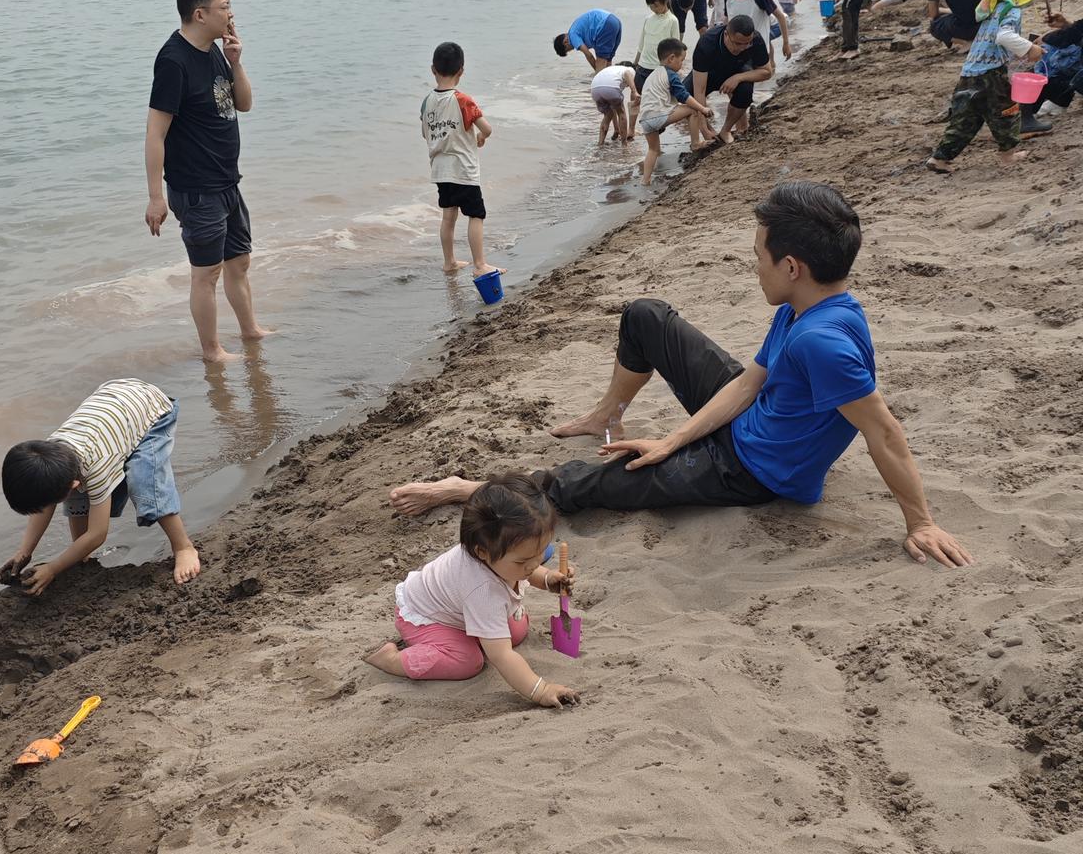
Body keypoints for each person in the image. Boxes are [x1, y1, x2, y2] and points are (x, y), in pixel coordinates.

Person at [389, 182, 972, 569]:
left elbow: (884, 432)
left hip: (750, 470)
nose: (754, 264)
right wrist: (673, 437)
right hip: (746, 421)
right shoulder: (807, 307)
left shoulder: (822, 340)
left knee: (603, 484)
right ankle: (605, 412)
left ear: (791, 266)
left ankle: (469, 489)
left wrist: (920, 522)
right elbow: (749, 383)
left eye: (759, 255)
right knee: (647, 318)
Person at [366, 473, 578, 708]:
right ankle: (392, 659)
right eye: (522, 561)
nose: (534, 564)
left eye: (540, 553)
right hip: (426, 618)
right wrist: (541, 690)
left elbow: (530, 570)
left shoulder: (496, 554)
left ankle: (476, 632)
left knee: (516, 631)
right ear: (482, 553)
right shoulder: (482, 590)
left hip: (458, 606)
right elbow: (501, 657)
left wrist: (548, 579)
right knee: (468, 662)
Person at [145, 0, 267, 365]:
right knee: (207, 273)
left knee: (239, 262)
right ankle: (212, 351)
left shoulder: (215, 49)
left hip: (227, 181)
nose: (231, 12)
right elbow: (155, 133)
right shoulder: (172, 61)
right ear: (200, 14)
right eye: (225, 6)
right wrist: (154, 197)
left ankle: (250, 330)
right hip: (196, 188)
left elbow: (243, 104)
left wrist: (236, 62)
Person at [0, 379, 201, 592]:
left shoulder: (97, 464)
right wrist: (24, 552)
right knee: (77, 501)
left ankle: (183, 547)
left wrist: (53, 568)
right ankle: (82, 558)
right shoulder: (50, 455)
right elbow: (45, 504)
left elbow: (98, 534)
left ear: (74, 483)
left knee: (145, 481)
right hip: (113, 407)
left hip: (151, 411)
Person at [925, 0, 1053, 173]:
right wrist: (1031, 49)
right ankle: (1008, 154)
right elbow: (1004, 37)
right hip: (992, 73)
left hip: (971, 70)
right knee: (1008, 112)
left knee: (965, 121)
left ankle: (940, 158)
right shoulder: (1010, 9)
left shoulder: (992, 4)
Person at [419, 41, 494, 277]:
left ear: (433, 69)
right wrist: (480, 136)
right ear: (461, 70)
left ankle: (449, 261)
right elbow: (487, 128)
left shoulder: (427, 102)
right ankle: (480, 264)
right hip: (463, 169)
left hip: (441, 169)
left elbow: (425, 133)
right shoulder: (463, 100)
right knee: (476, 214)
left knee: (448, 215)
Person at [636, 38, 712, 183]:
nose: (682, 65)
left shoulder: (653, 75)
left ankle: (645, 180)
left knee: (653, 150)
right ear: (671, 58)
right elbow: (684, 96)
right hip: (658, 116)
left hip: (645, 120)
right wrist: (702, 108)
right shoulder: (670, 74)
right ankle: (695, 143)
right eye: (681, 60)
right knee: (692, 109)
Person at [688, 17, 772, 147]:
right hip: (711, 72)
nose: (743, 48)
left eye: (747, 43)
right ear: (726, 34)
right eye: (738, 44)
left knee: (745, 91)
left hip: (738, 70)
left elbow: (767, 72)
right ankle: (710, 131)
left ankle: (726, 130)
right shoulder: (707, 44)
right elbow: (700, 90)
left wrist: (737, 78)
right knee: (686, 94)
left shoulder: (756, 40)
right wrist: (704, 128)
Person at [721, 0, 791, 62]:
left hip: (758, 46)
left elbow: (780, 16)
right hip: (738, 47)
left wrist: (786, 43)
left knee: (763, 72)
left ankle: (772, 65)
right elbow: (727, 19)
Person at [633, 0, 682, 89]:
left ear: (665, 2)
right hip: (642, 68)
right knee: (638, 101)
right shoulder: (648, 19)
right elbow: (641, 45)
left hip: (659, 69)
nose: (653, 9)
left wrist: (675, 71)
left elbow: (676, 49)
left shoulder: (672, 20)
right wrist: (635, 64)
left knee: (658, 102)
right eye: (650, 6)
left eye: (656, 5)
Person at [553, 9, 623, 70]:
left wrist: (597, 71)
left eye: (568, 49)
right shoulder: (575, 29)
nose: (573, 48)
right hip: (615, 21)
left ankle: (601, 80)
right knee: (608, 60)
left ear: (565, 42)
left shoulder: (572, 36)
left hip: (604, 24)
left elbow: (589, 55)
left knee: (601, 60)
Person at [590, 62, 639, 144]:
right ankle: (624, 144)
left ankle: (600, 143)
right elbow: (627, 73)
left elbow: (613, 108)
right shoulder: (629, 69)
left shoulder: (613, 70)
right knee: (621, 112)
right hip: (610, 88)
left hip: (594, 89)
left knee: (608, 115)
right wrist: (634, 91)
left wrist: (617, 129)